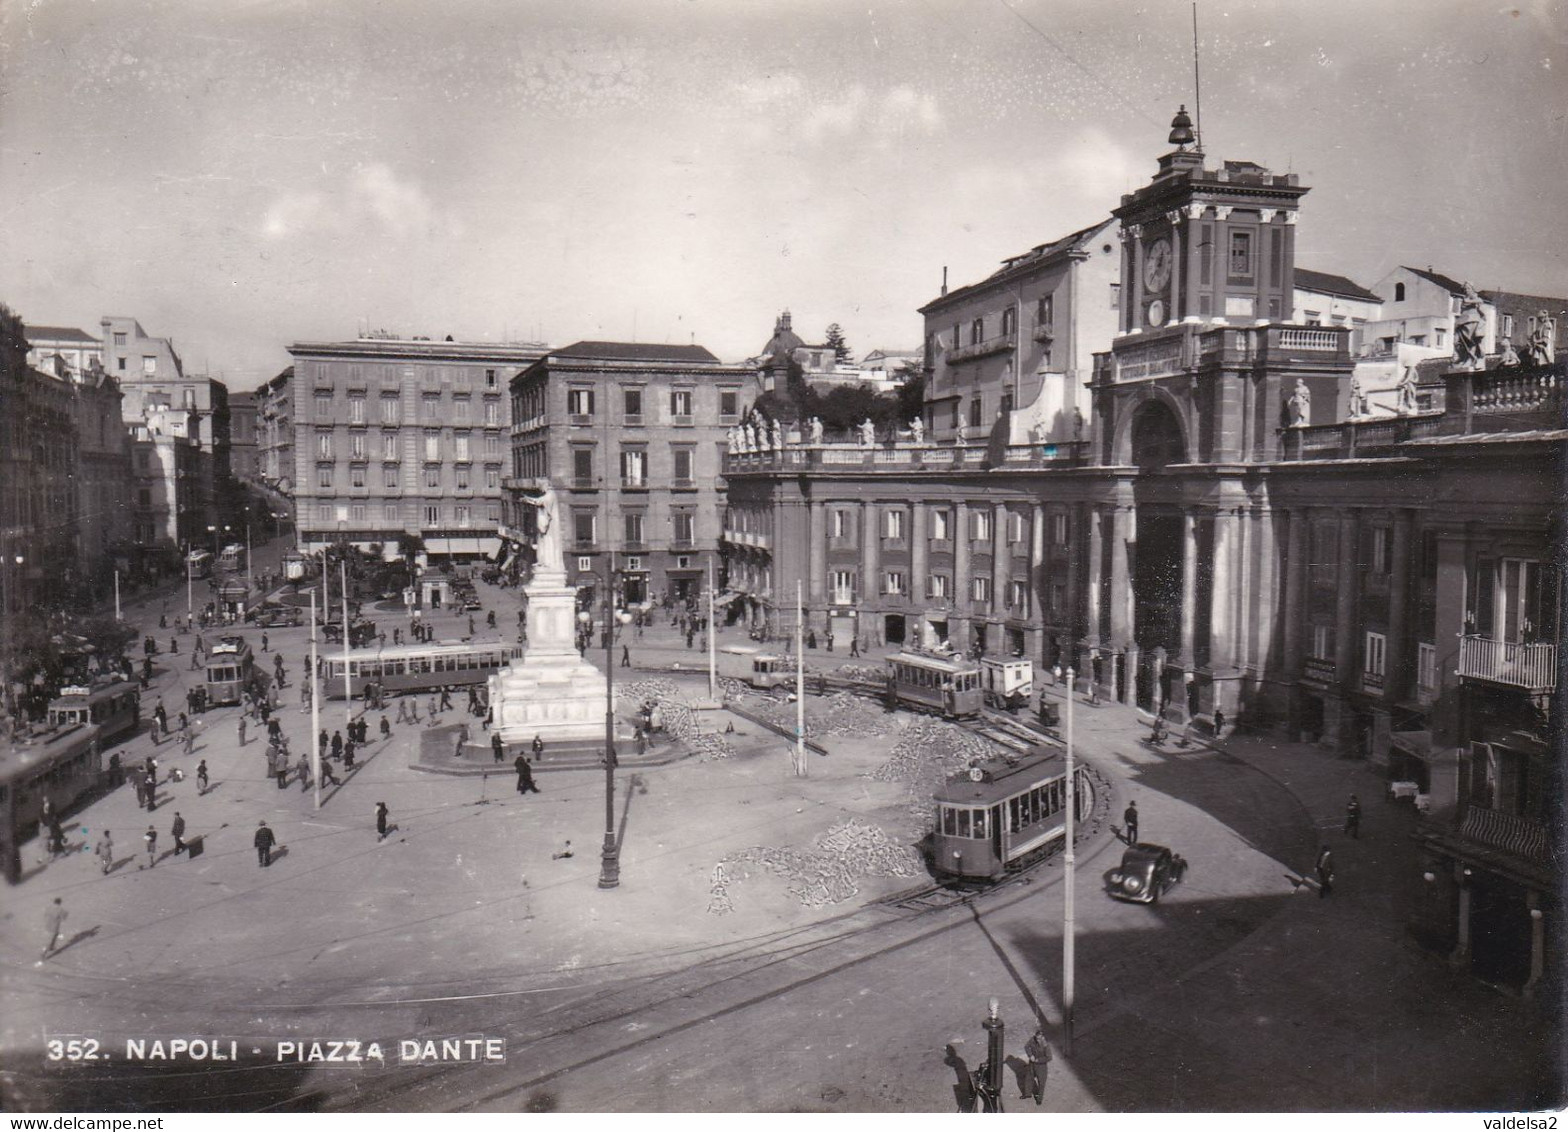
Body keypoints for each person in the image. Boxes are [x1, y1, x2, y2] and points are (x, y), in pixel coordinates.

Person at [1022, 1028, 1052, 1105]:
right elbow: (1026, 1047)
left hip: (1041, 1066)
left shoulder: (1046, 1046)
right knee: (1028, 1078)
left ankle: (1039, 1099)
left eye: (1039, 1038)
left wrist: (1038, 1060)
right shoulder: (1033, 1040)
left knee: (1041, 1083)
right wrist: (1030, 1055)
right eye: (1036, 1038)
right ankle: (1027, 1094)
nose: (1037, 1040)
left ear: (1042, 1038)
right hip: (1032, 1064)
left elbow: (1049, 1057)